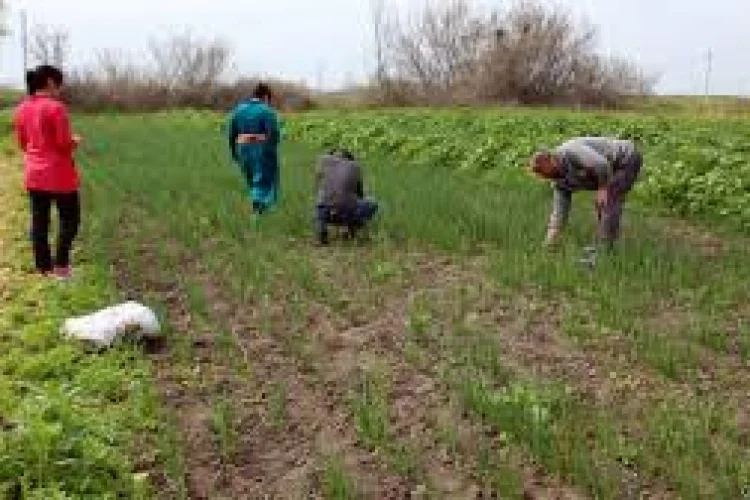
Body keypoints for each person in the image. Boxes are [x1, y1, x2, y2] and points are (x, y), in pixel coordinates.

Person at [13, 65, 83, 279]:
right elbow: (63, 143)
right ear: (51, 82)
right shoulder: (56, 108)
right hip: (59, 175)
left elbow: (23, 143)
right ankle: (61, 267)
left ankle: (43, 269)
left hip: (34, 175)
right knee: (70, 220)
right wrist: (75, 141)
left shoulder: (22, 108)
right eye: (59, 84)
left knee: (39, 222)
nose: (59, 89)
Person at [530, 137, 642, 249]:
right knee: (602, 204)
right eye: (543, 176)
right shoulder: (559, 182)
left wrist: (603, 187)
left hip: (625, 158)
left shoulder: (570, 151)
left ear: (551, 159)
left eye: (545, 173)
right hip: (609, 168)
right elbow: (559, 212)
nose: (547, 178)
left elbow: (601, 164)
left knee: (609, 200)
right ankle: (607, 241)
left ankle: (604, 248)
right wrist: (551, 239)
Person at [227, 83, 281, 222]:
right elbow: (273, 133)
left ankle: (259, 208)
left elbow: (231, 133)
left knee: (252, 180)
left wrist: (234, 152)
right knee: (263, 180)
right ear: (265, 97)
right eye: (269, 99)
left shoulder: (238, 110)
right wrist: (271, 151)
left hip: (242, 148)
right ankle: (257, 211)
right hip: (261, 149)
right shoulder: (267, 111)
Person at [315, 149, 379, 245]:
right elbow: (360, 194)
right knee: (372, 203)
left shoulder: (324, 162)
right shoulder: (354, 166)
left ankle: (322, 229)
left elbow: (318, 181)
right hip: (347, 213)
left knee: (321, 195)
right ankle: (352, 228)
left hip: (326, 214)